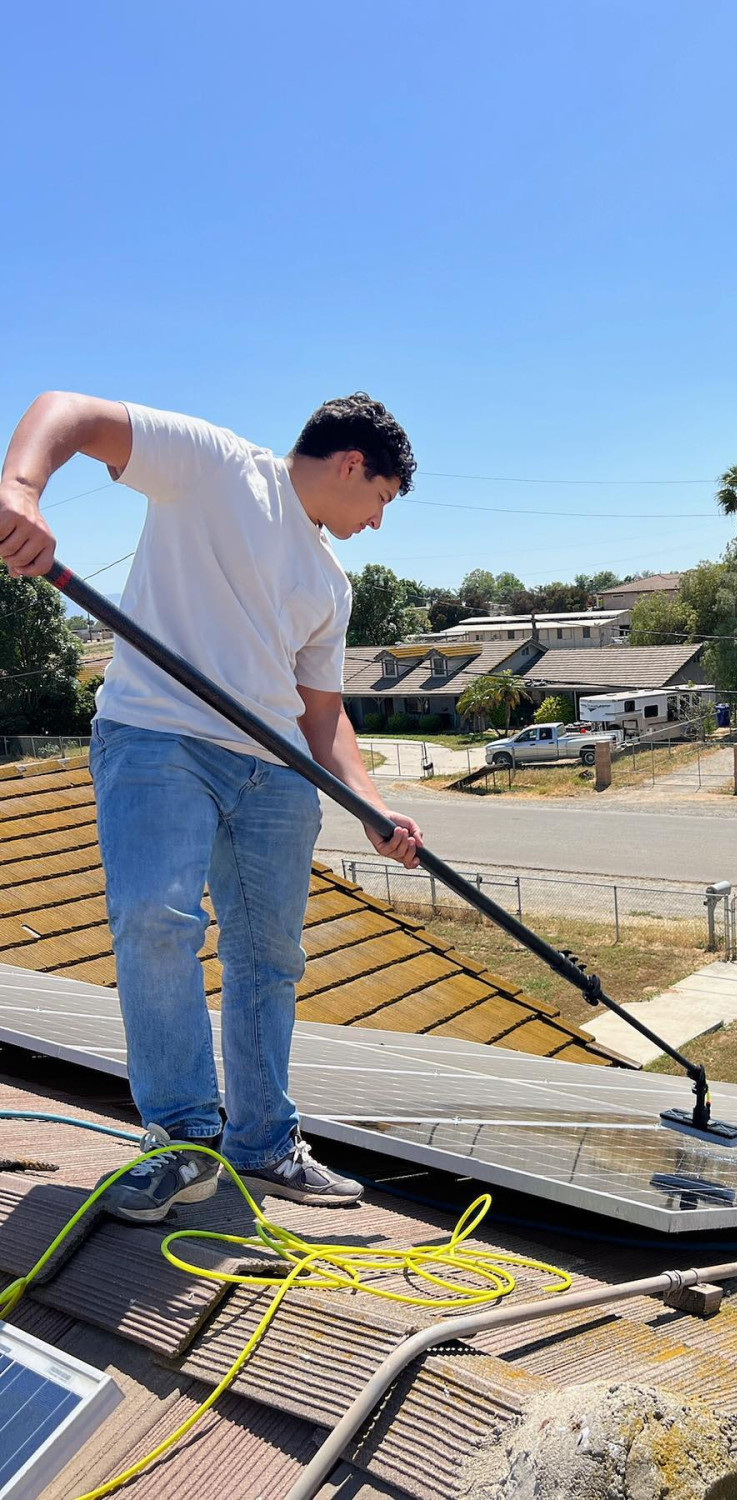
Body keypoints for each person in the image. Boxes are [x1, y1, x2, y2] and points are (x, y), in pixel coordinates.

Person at [0, 391, 423, 1220]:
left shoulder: (329, 585)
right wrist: (20, 490)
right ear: (351, 465)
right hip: (157, 741)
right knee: (156, 919)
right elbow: (70, 412)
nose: (376, 524)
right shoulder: (217, 465)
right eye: (380, 501)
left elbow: (322, 714)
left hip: (275, 777)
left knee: (270, 959)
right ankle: (184, 1142)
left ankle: (263, 1143)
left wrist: (374, 807)